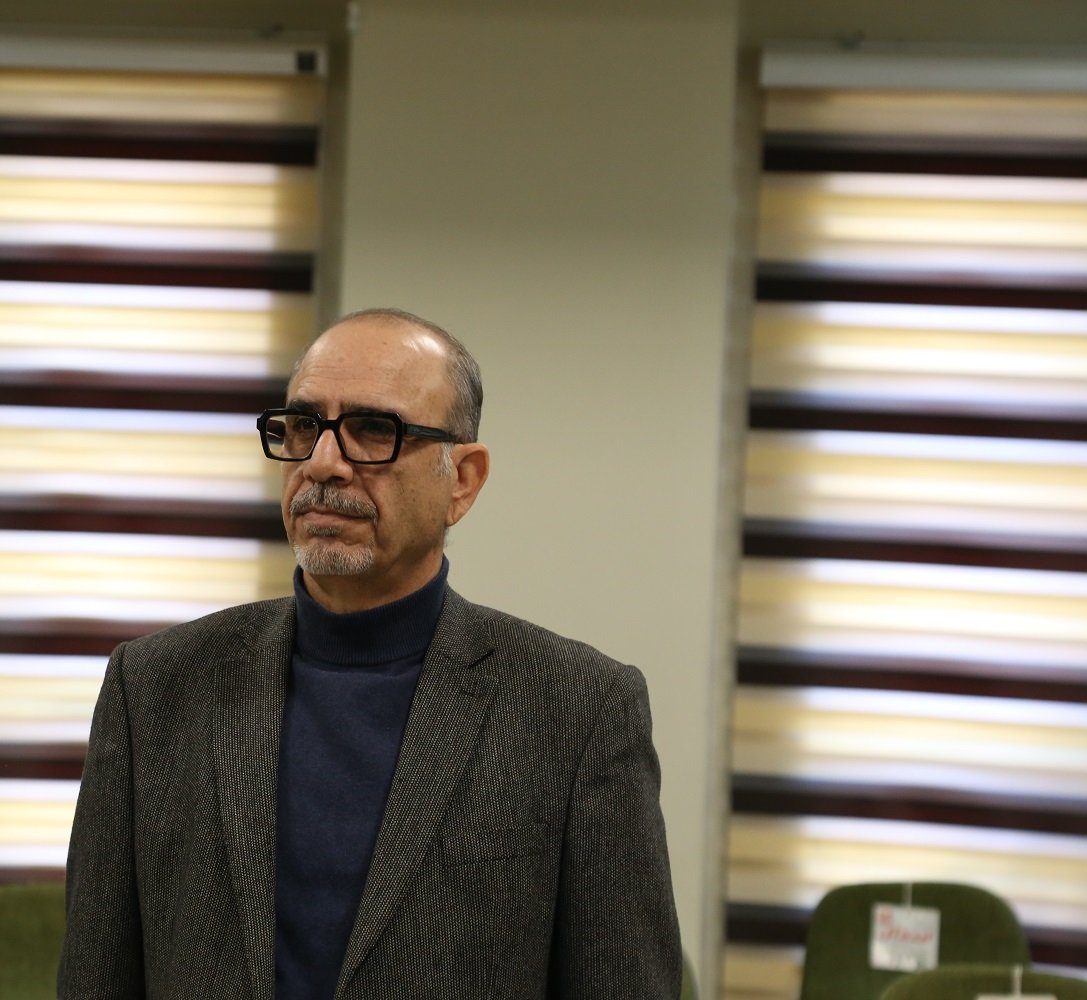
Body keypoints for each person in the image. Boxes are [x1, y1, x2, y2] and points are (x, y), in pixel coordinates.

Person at [59, 307, 681, 999]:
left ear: (462, 480)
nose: (323, 463)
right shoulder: (155, 687)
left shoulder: (578, 709)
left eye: (374, 430)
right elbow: (95, 977)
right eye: (303, 426)